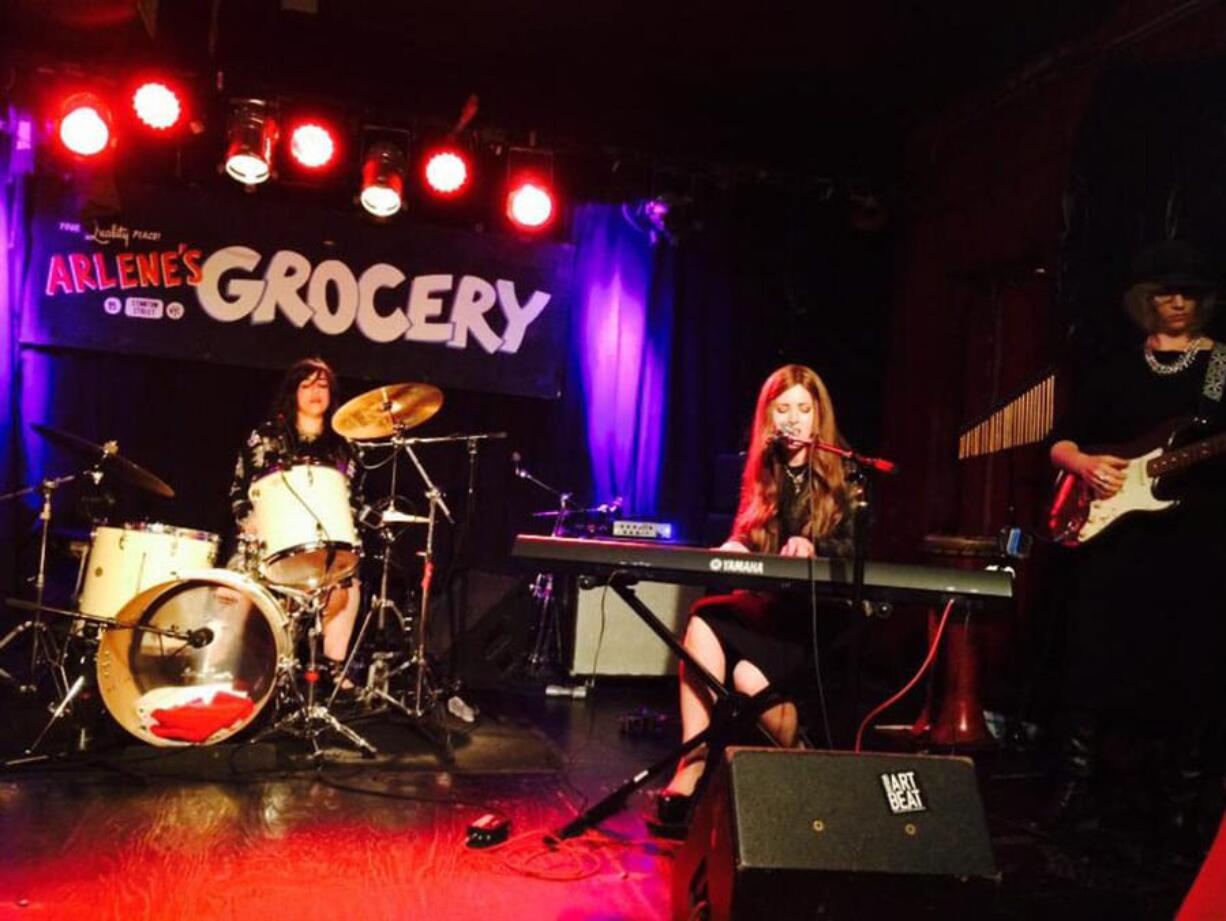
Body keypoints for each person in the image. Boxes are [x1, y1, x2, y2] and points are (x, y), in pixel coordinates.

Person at [1045, 240, 1226, 839]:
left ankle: (1178, 802)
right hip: (1115, 539)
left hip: (1193, 542)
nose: (1178, 302)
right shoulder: (1114, 370)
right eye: (1166, 292)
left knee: (1189, 668)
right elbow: (1061, 441)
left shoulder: (1221, 368)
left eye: (1190, 293)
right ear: (1145, 301)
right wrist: (1087, 465)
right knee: (1094, 660)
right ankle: (1076, 790)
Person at [656, 364, 856, 825]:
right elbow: (748, 532)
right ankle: (694, 760)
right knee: (704, 617)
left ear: (818, 415)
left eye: (803, 409)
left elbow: (854, 545)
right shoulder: (764, 469)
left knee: (746, 676)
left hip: (817, 618)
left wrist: (817, 546)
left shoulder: (848, 473)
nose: (793, 420)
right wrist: (737, 545)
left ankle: (803, 754)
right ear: (768, 418)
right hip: (769, 610)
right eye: (782, 409)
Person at [229, 357, 362, 688]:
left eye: (322, 385)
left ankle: (332, 665)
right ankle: (257, 664)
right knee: (241, 581)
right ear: (293, 393)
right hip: (270, 542)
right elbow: (239, 491)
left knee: (350, 583)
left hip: (324, 545)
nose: (315, 392)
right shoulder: (266, 437)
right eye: (306, 385)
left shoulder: (345, 444)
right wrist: (250, 521)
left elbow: (354, 502)